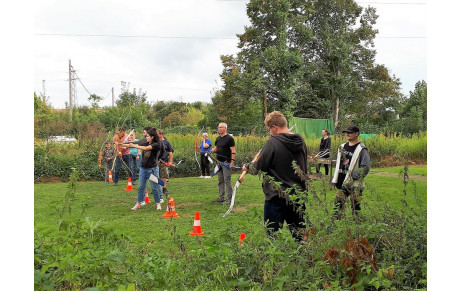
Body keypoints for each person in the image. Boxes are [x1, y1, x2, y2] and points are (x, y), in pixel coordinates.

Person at [242, 111, 308, 242]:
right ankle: (306, 261)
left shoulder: (273, 142)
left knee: (272, 236)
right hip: (298, 194)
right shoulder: (300, 142)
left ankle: (275, 263)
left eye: (268, 130)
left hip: (277, 196)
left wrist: (247, 167)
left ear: (274, 127)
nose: (269, 132)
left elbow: (257, 168)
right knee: (300, 236)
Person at [331, 125, 370, 218]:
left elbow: (365, 167)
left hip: (355, 183)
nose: (347, 134)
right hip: (342, 181)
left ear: (357, 134)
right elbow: (338, 165)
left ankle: (358, 225)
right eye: (346, 132)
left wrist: (354, 176)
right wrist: (334, 180)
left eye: (350, 132)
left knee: (355, 206)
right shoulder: (342, 146)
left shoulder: (361, 149)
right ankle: (335, 223)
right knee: (338, 204)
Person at [127, 128, 165, 210]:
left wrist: (133, 145)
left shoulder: (156, 144)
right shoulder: (146, 142)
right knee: (141, 187)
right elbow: (134, 143)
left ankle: (158, 203)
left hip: (152, 169)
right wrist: (120, 144)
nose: (146, 137)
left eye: (147, 136)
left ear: (152, 137)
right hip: (143, 169)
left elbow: (144, 148)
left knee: (154, 187)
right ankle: (138, 203)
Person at [211, 122, 236, 205]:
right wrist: (205, 150)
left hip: (227, 162)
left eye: (221, 127)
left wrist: (232, 162)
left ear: (225, 128)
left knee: (227, 180)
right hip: (219, 162)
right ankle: (221, 198)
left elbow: (233, 151)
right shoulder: (218, 139)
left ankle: (229, 199)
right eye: (218, 127)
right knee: (220, 180)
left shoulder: (229, 138)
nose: (219, 129)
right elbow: (215, 149)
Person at [157, 129, 175, 200]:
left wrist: (170, 161)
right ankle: (158, 188)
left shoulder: (166, 142)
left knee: (163, 176)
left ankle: (164, 188)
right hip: (156, 161)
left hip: (164, 161)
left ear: (161, 134)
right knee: (156, 175)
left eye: (158, 134)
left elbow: (170, 152)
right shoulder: (155, 142)